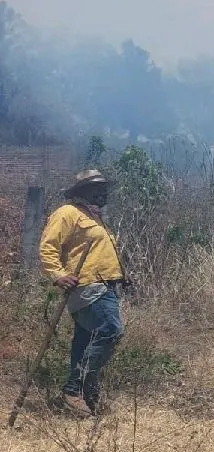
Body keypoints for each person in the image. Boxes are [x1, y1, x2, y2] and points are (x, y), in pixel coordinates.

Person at [38, 169, 128, 416]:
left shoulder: (96, 218)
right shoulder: (68, 213)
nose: (103, 192)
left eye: (104, 187)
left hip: (106, 285)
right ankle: (75, 388)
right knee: (110, 331)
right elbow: (48, 247)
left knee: (85, 341)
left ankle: (83, 396)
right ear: (81, 192)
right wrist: (58, 275)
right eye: (96, 188)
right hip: (88, 286)